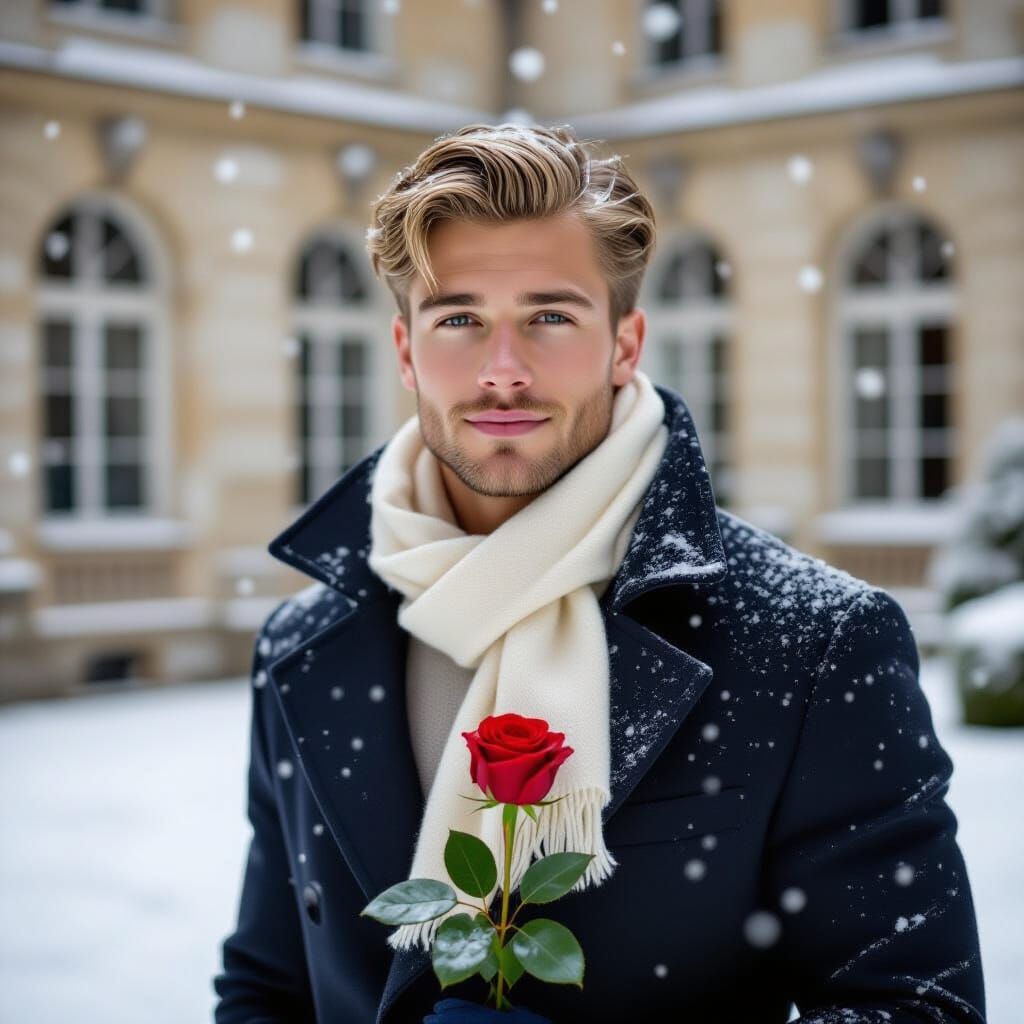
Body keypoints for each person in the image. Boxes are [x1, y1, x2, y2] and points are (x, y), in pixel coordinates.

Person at [212, 123, 986, 1023]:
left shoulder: (812, 642)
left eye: (550, 316)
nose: (503, 372)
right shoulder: (302, 644)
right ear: (404, 349)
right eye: (459, 318)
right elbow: (266, 989)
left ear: (625, 343)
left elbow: (916, 1006)